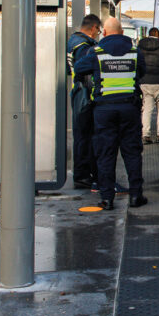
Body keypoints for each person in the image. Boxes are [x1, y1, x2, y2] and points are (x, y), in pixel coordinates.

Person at [74, 18, 146, 210]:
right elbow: (142, 72)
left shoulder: (96, 52)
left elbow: (79, 68)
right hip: (129, 108)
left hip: (103, 110)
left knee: (105, 153)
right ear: (122, 32)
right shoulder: (134, 52)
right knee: (132, 152)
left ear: (104, 33)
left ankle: (107, 198)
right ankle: (136, 195)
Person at [67, 14, 101, 189]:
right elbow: (85, 71)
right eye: (98, 30)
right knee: (85, 135)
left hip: (77, 91)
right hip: (85, 93)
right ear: (94, 27)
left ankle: (82, 173)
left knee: (81, 135)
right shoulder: (84, 46)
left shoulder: (73, 42)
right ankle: (82, 175)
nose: (98, 33)